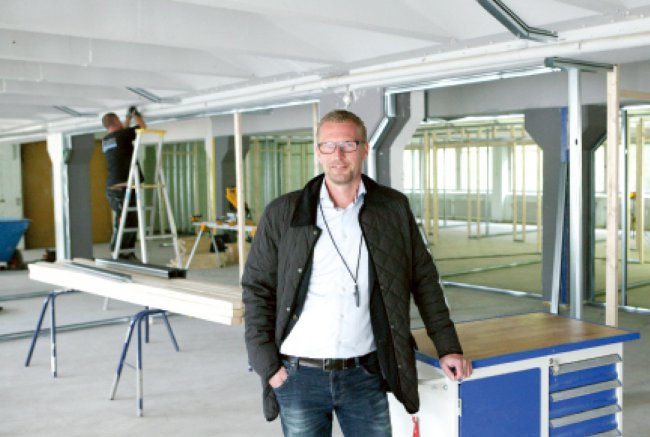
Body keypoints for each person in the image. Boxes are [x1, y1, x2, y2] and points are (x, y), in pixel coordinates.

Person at [242, 109, 472, 436]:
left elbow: (424, 280)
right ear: (318, 151)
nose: (338, 155)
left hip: (366, 374)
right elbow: (257, 289)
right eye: (328, 145)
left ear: (364, 149)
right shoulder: (284, 213)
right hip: (297, 375)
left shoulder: (392, 209)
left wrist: (448, 346)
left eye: (348, 145)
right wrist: (268, 367)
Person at [101, 106, 146, 260]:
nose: (122, 122)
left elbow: (123, 131)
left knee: (129, 220)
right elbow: (142, 127)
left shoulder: (107, 140)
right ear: (115, 121)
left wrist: (127, 118)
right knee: (125, 221)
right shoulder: (121, 136)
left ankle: (126, 252)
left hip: (116, 188)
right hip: (122, 189)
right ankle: (118, 252)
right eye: (119, 120)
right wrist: (135, 115)